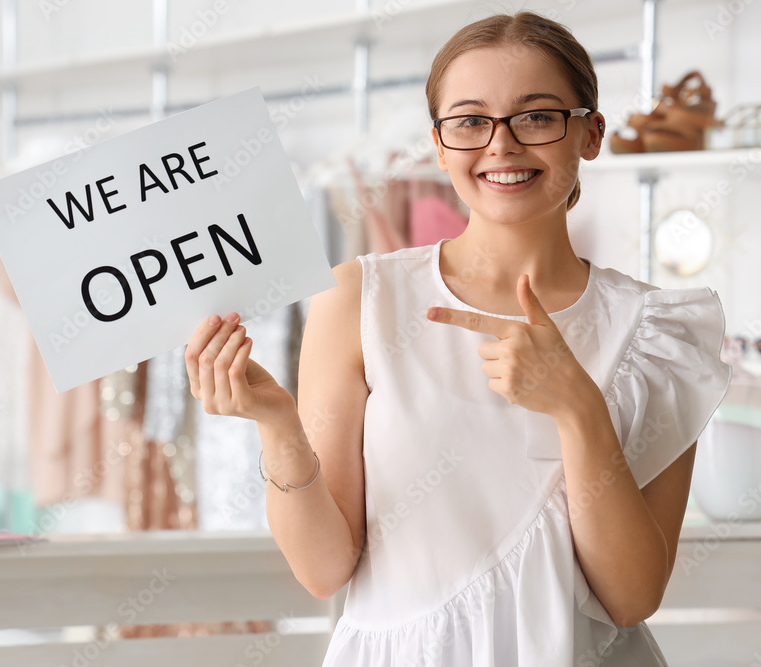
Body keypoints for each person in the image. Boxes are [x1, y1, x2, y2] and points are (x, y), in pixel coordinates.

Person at [184, 11, 732, 666]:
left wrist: (577, 408)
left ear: (590, 134)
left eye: (536, 116)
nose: (500, 145)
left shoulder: (657, 330)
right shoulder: (359, 298)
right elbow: (325, 568)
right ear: (440, 146)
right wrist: (276, 423)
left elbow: (631, 595)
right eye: (470, 121)